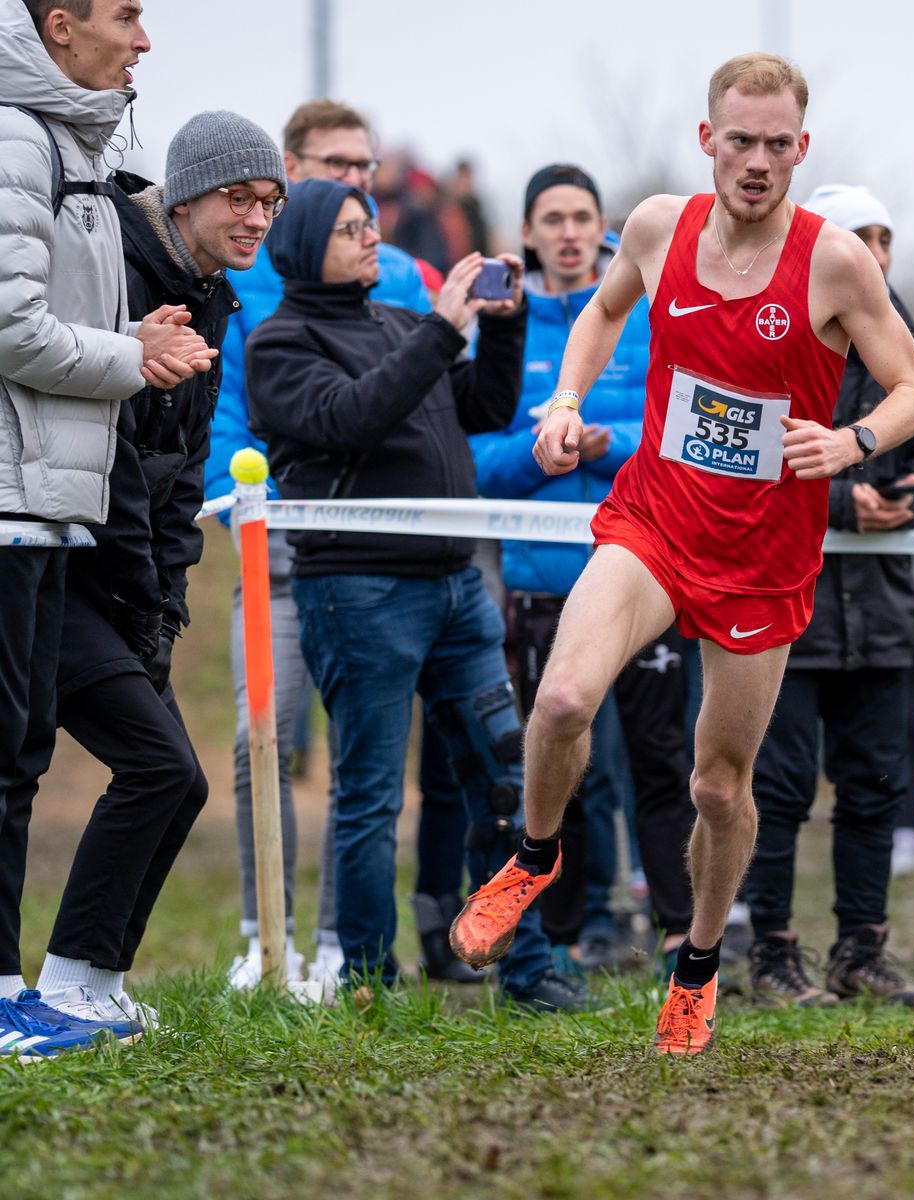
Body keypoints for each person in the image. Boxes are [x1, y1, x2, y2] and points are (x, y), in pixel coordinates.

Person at [448, 54, 914, 1055]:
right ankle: (533, 857)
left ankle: (702, 962)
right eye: (740, 140)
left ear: (802, 150)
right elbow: (601, 310)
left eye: (777, 145)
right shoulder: (658, 226)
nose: (757, 162)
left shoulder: (836, 261)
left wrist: (851, 443)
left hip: (764, 553)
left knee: (719, 784)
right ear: (707, 138)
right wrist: (566, 399)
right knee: (563, 700)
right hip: (657, 522)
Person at [247, 179, 584, 1012]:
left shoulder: (400, 324)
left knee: (508, 783)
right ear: (302, 247)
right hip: (357, 595)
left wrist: (498, 333)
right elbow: (353, 416)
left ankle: (529, 968)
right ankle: (366, 981)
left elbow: (484, 407)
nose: (372, 238)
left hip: (455, 588)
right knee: (369, 795)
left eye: (371, 224)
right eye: (351, 229)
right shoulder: (281, 345)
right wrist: (444, 327)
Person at [0, 0, 216, 1055]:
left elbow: (50, 327)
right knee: (13, 760)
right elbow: (9, 329)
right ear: (61, 27)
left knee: (24, 756)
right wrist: (133, 359)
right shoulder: (17, 142)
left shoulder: (66, 144)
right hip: (18, 506)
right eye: (126, 17)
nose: (145, 38)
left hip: (48, 509)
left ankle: (45, 992)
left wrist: (128, 336)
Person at [21, 112, 283, 1034]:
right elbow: (119, 462)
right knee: (159, 768)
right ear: (183, 195)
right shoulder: (121, 271)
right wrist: (141, 599)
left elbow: (182, 471)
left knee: (176, 780)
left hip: (128, 589)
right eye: (238, 198)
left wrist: (166, 603)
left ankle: (89, 985)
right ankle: (59, 989)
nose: (257, 217)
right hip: (59, 568)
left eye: (270, 201)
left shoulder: (212, 295)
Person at [209, 98, 470, 988]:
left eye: (364, 169)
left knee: (364, 763)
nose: (353, 183)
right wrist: (255, 502)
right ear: (289, 174)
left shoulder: (401, 275)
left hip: (383, 556)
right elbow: (233, 407)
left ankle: (335, 947)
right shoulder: (240, 275)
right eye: (332, 167)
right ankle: (263, 936)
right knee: (264, 740)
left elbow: (440, 403)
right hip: (275, 535)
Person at [737, 183, 914, 1007]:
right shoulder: (773, 332)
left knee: (876, 786)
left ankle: (861, 952)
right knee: (780, 789)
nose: (873, 250)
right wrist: (841, 501)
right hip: (781, 601)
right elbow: (739, 457)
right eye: (854, 235)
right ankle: (772, 955)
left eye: (884, 236)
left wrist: (911, 500)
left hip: (881, 604)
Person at [471, 162, 695, 977]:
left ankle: (682, 929)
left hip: (650, 575)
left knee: (663, 760)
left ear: (606, 232)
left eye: (582, 218)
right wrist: (545, 455)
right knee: (566, 762)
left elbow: (683, 430)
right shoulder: (505, 326)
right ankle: (569, 932)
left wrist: (612, 445)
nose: (568, 233)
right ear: (528, 234)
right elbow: (477, 457)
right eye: (551, 219)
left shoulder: (649, 311)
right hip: (542, 579)